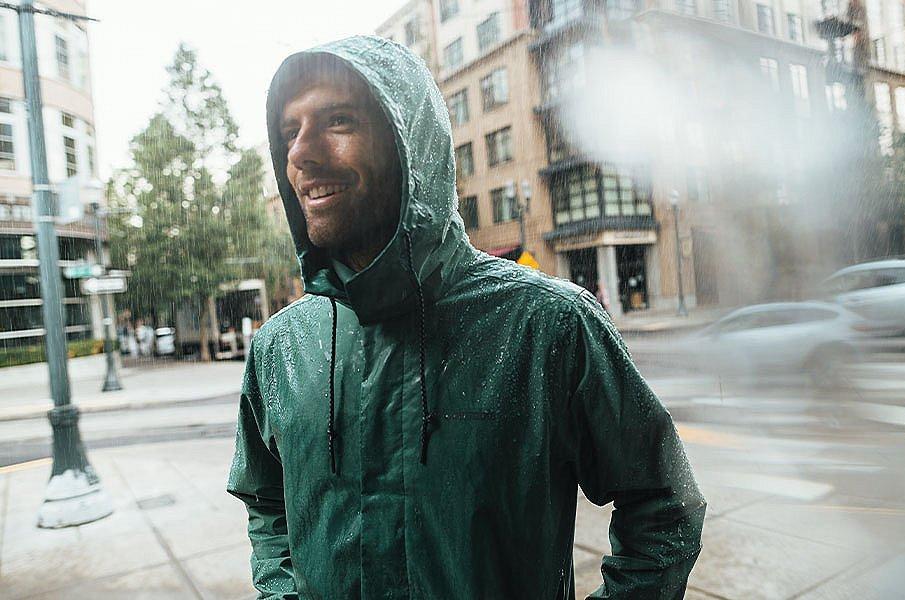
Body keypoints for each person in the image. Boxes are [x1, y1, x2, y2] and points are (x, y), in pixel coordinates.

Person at [228, 36, 705, 599]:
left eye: (338, 120)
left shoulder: (548, 324)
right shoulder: (281, 347)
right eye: (289, 131)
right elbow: (267, 504)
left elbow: (663, 504)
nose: (301, 154)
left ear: (410, 146)